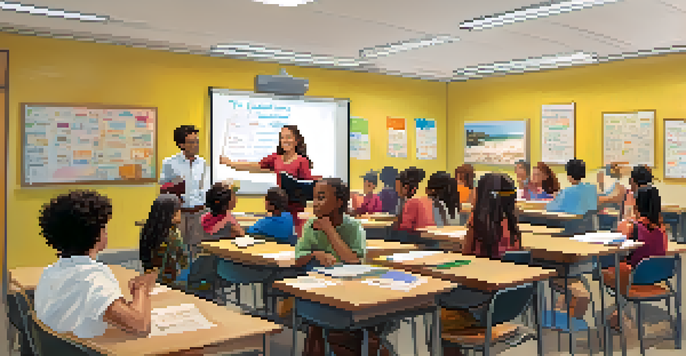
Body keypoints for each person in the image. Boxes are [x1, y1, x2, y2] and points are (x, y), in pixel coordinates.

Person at [35, 190, 157, 338]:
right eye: (104, 227)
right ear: (97, 234)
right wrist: (141, 290)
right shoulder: (91, 279)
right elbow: (139, 325)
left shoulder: (50, 272)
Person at [292, 178, 387, 356]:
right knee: (317, 321)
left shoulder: (353, 227)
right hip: (321, 291)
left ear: (339, 202)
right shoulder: (310, 226)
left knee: (348, 329)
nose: (316, 204)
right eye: (314, 198)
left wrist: (329, 229)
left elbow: (352, 260)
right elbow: (298, 259)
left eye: (321, 198)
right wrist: (315, 255)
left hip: (352, 292)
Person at [442, 173, 522, 356]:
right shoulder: (512, 225)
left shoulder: (476, 222)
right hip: (508, 301)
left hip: (478, 302)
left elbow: (466, 256)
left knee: (435, 313)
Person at [220, 125, 313, 236]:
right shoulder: (276, 158)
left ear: (296, 140)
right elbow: (254, 166)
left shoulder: (302, 161)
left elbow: (308, 187)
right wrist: (231, 163)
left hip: (296, 212)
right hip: (281, 211)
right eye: (282, 138)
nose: (285, 141)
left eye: (288, 137)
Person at [603, 185, 667, 330]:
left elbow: (614, 246)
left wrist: (628, 215)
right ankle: (621, 310)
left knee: (607, 269)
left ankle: (619, 311)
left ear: (637, 204)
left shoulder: (630, 226)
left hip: (633, 277)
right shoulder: (662, 229)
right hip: (656, 276)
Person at [160, 125, 211, 249]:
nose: (196, 145)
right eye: (191, 142)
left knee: (198, 249)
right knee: (178, 250)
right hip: (179, 214)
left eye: (197, 141)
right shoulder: (170, 163)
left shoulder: (202, 163)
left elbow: (204, 187)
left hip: (200, 212)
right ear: (181, 144)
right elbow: (164, 188)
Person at [139, 194, 190, 285]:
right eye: (178, 209)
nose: (180, 212)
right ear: (171, 213)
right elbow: (182, 258)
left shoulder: (148, 229)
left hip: (150, 277)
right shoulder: (173, 233)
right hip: (171, 280)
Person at [394, 167, 433, 232]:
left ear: (406, 187)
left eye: (398, 187)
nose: (396, 190)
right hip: (427, 236)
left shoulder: (411, 202)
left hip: (415, 237)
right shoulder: (428, 200)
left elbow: (405, 227)